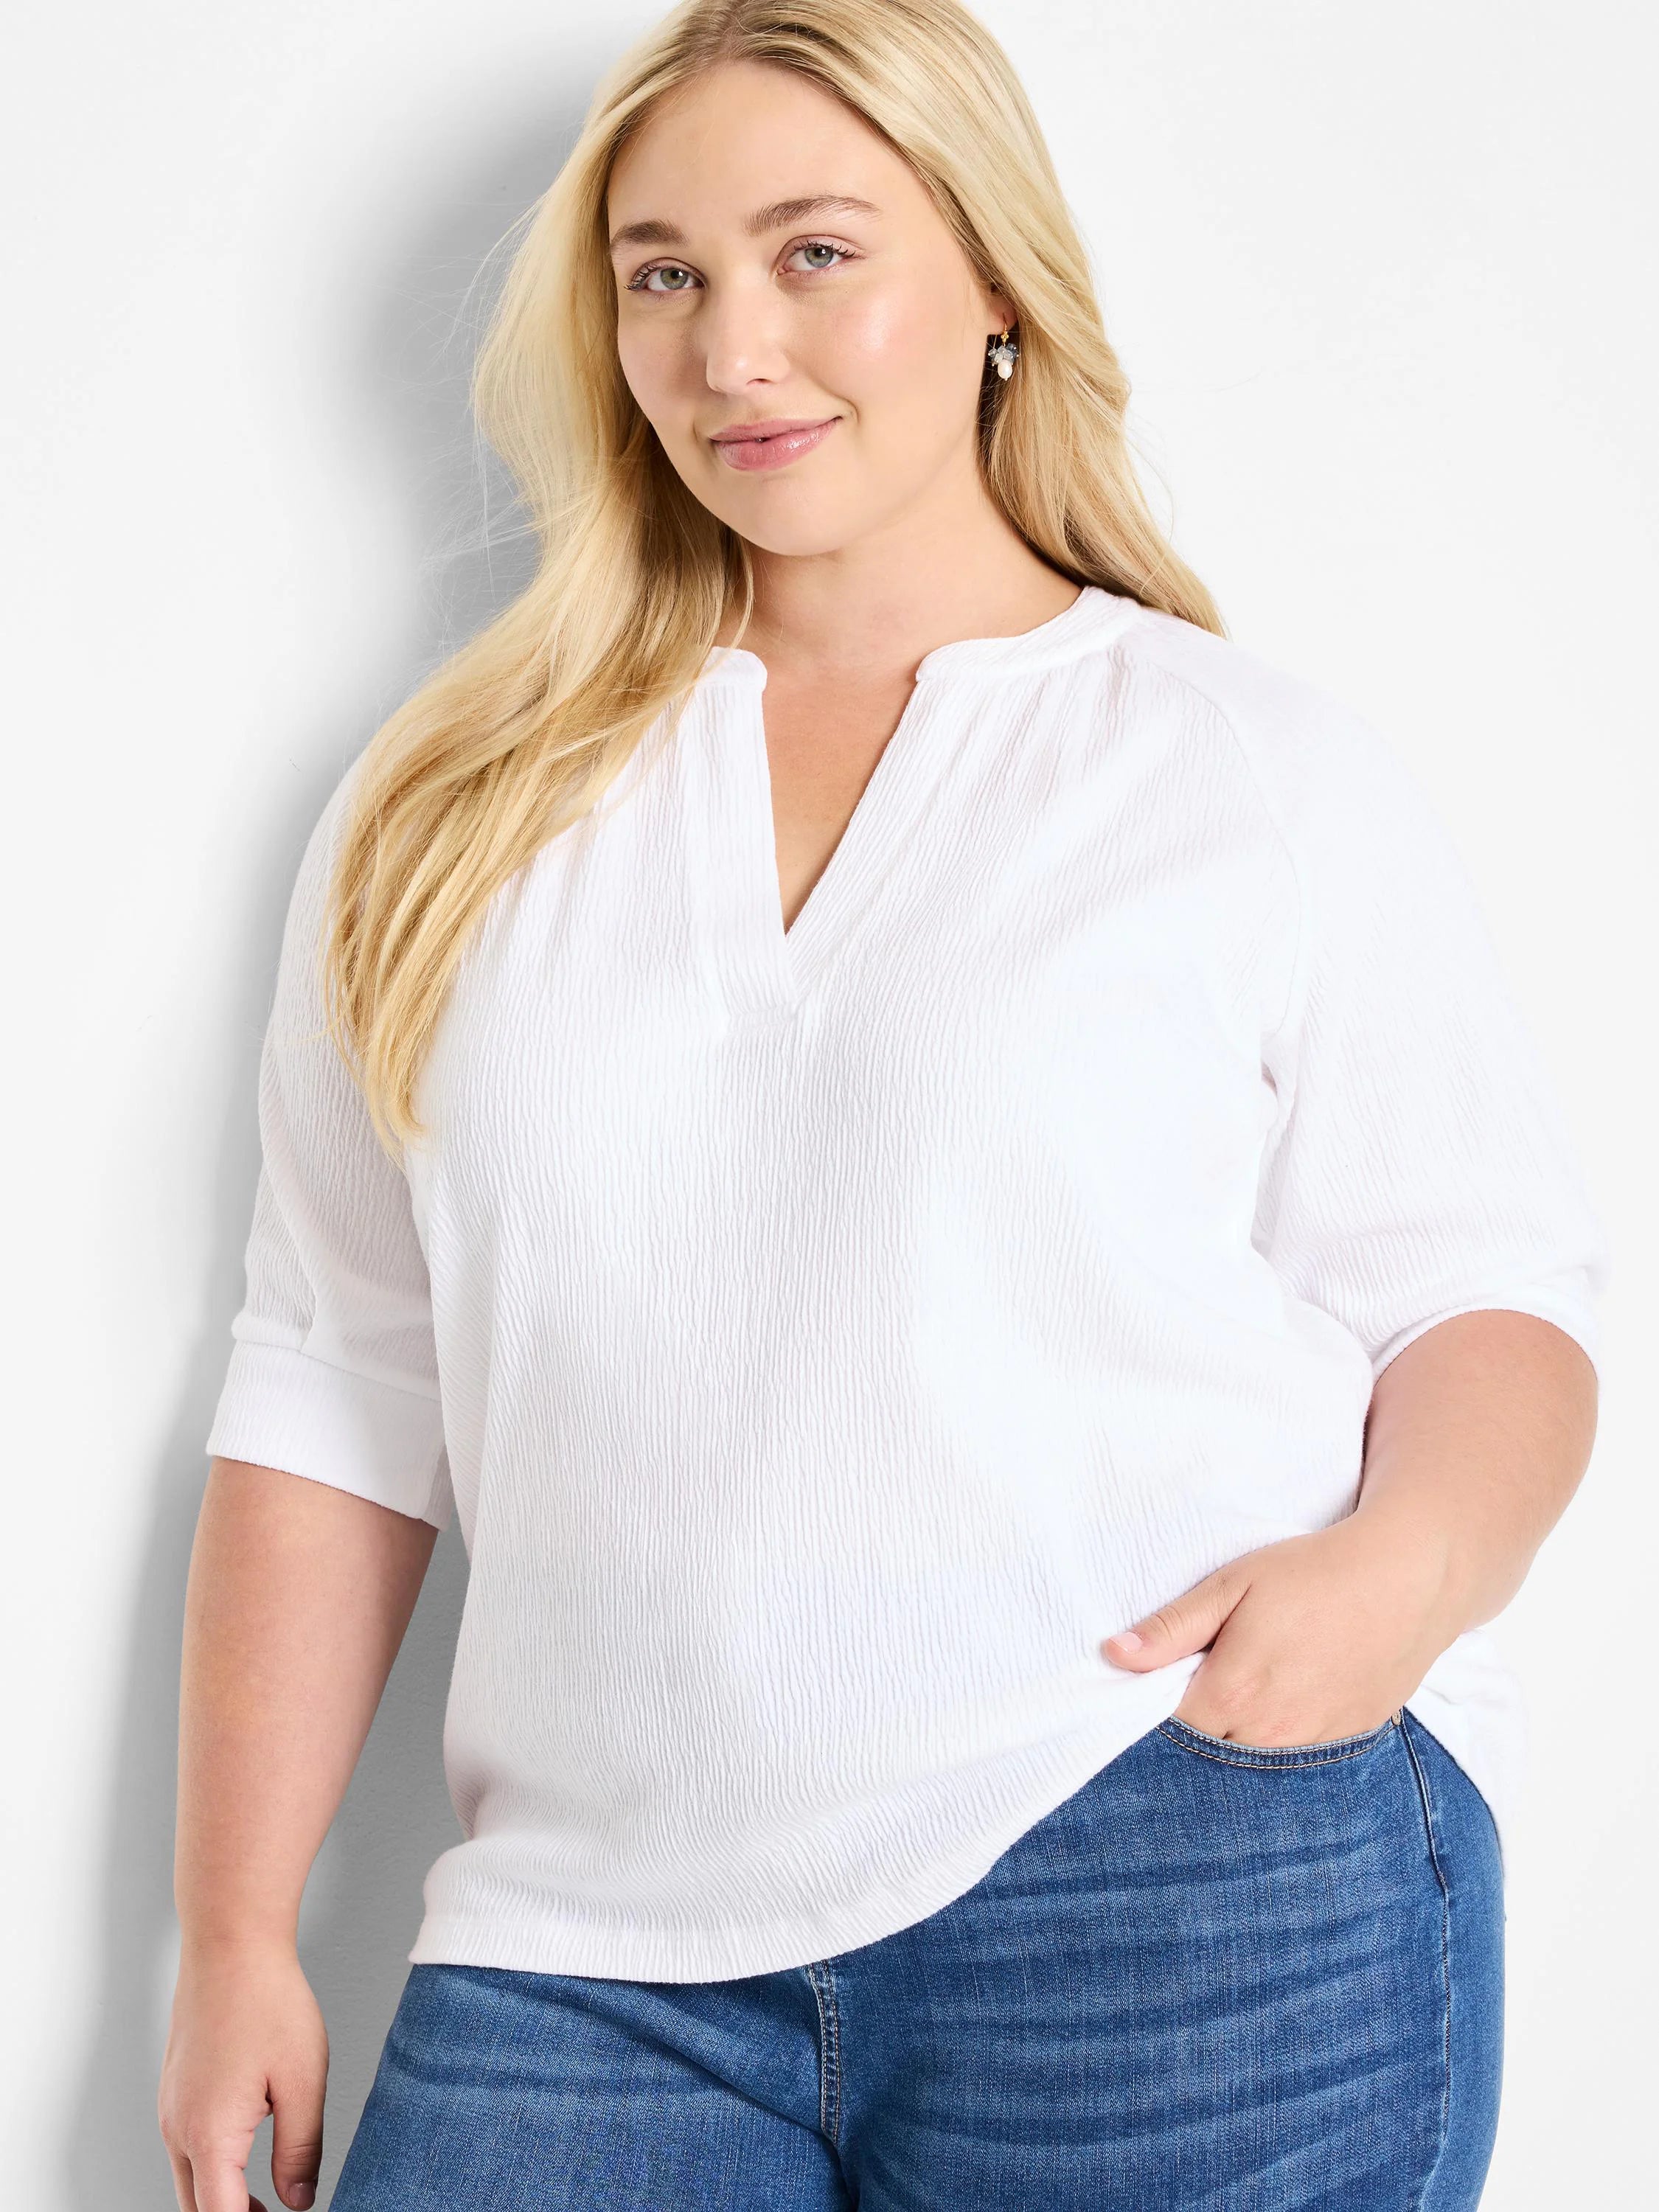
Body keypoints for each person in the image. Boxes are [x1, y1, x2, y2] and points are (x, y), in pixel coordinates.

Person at [157, 4, 1610, 2208]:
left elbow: (1485, 1295)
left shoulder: (1238, 770)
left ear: (997, 280)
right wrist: (235, 1933)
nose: (732, 348)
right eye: (663, 273)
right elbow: (341, 1378)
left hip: (1166, 1855)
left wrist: (1395, 1581)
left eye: (815, 252)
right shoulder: (449, 811)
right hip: (590, 1947)